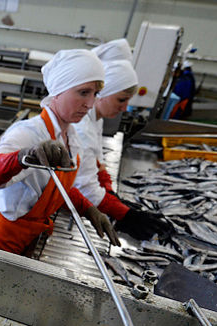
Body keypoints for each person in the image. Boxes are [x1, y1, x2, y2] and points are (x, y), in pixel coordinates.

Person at [0, 49, 119, 256]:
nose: (90, 104)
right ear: (58, 90)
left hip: (27, 241)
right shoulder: (29, 133)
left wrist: (88, 208)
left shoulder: (71, 137)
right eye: (83, 92)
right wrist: (23, 157)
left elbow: (54, 187)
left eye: (95, 94)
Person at [73, 59, 173, 240]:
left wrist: (109, 192)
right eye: (121, 99)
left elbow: (97, 160)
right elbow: (84, 188)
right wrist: (126, 214)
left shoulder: (95, 119)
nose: (125, 107)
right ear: (102, 94)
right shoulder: (82, 127)